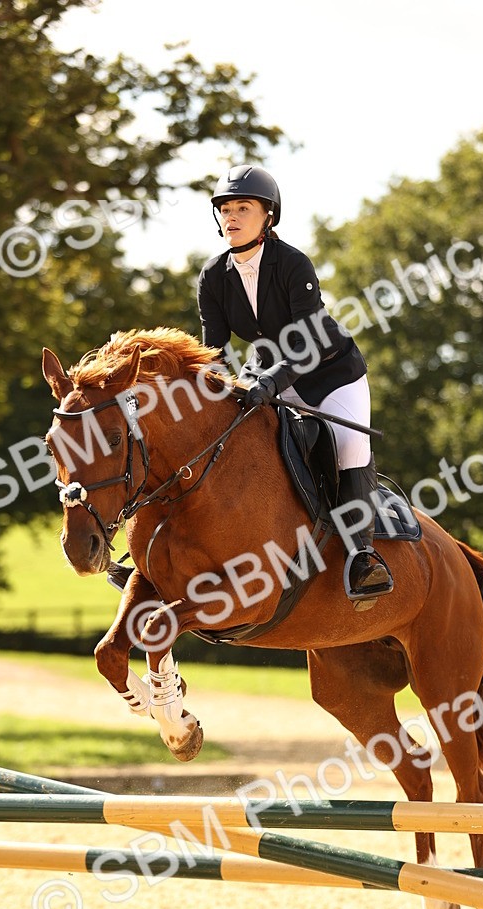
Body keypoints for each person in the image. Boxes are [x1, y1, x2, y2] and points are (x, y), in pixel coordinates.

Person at [196, 164, 393, 611]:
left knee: (348, 447)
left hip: (330, 373)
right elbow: (214, 347)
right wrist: (211, 389)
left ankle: (363, 557)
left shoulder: (293, 264)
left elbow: (309, 340)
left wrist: (269, 382)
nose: (232, 216)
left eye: (243, 208)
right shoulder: (212, 275)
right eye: (225, 208)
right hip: (266, 373)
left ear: (268, 216)